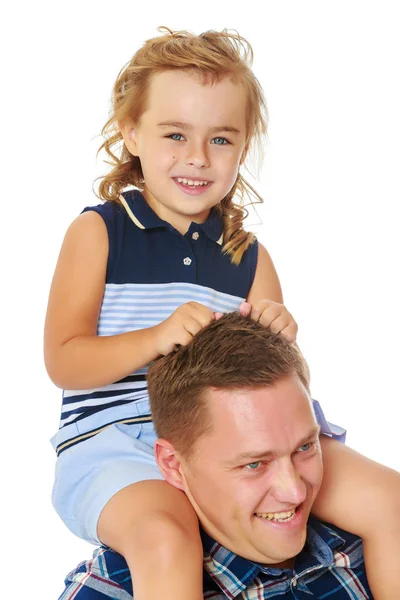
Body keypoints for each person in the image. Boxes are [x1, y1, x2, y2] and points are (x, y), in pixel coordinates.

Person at [45, 28, 400, 600]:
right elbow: (64, 362)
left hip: (243, 445)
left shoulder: (248, 255)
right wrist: (156, 337)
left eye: (221, 139)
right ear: (131, 132)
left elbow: (279, 381)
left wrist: (281, 337)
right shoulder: (100, 232)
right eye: (176, 134)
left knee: (389, 498)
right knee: (166, 540)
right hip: (115, 440)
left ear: (244, 146)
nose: (197, 157)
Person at [58, 313, 376, 598]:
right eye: (254, 464)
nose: (294, 491)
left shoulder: (372, 552)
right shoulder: (117, 591)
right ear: (173, 465)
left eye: (305, 447)